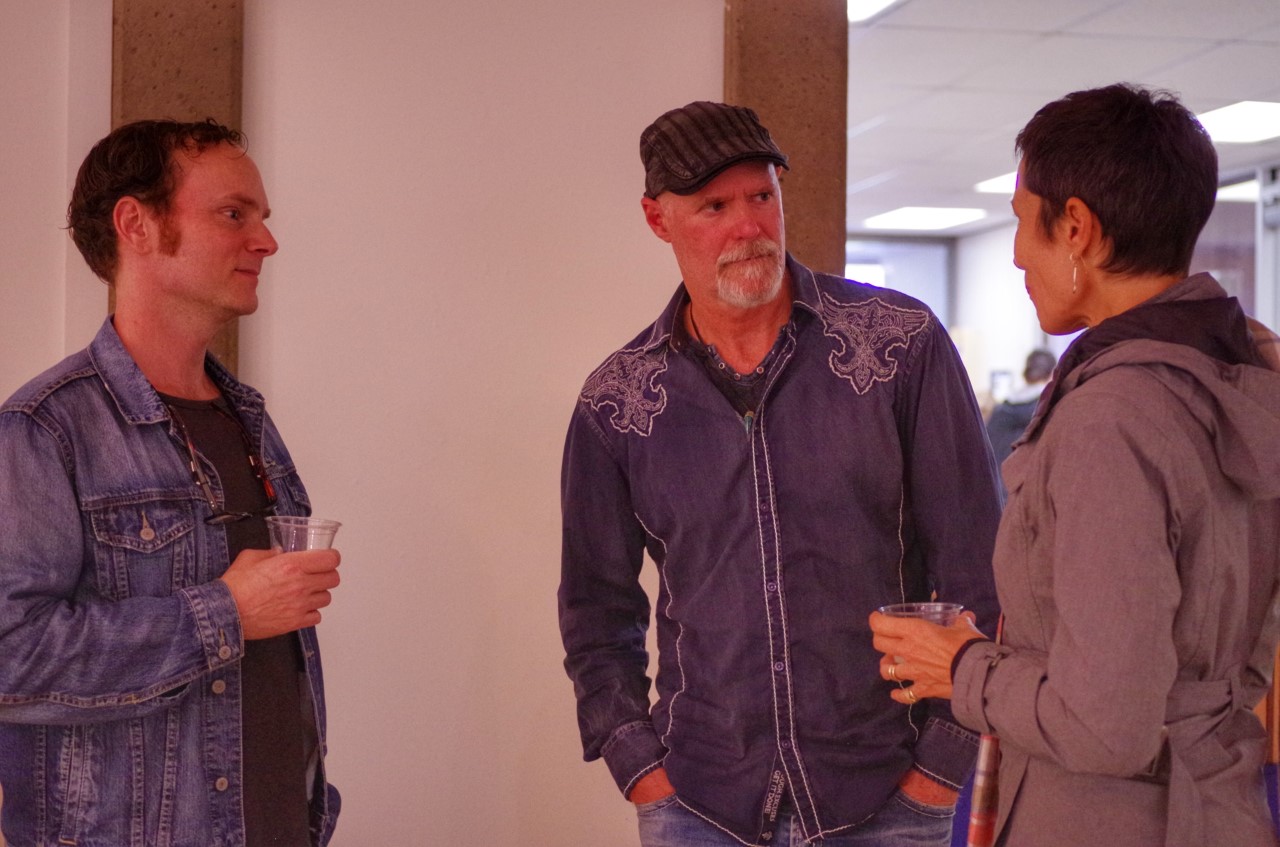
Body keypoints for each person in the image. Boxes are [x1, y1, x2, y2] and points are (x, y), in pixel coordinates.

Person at [559, 101, 1001, 847]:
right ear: (658, 219)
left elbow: (976, 564)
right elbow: (595, 610)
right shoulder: (619, 403)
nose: (749, 226)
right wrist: (639, 766)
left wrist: (942, 765)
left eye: (762, 196)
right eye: (715, 207)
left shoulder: (901, 347)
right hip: (699, 802)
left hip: (888, 795)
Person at [869, 83, 1280, 847]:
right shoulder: (1247, 377)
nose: (1018, 253)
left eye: (1024, 222)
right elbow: (1239, 656)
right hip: (1219, 804)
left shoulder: (1113, 417)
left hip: (1106, 818)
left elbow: (1104, 726)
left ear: (1078, 228)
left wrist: (961, 664)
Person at [0, 120, 342, 846]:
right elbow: (11, 655)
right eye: (233, 214)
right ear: (137, 225)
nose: (266, 241)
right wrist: (225, 612)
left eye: (261, 217)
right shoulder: (45, 428)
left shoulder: (248, 419)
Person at [985, 348, 1056, 470]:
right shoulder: (1048, 410)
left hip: (996, 479)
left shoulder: (1000, 410)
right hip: (1028, 480)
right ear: (1052, 374)